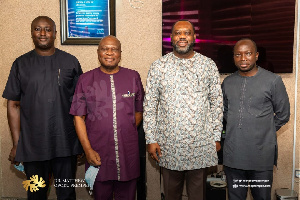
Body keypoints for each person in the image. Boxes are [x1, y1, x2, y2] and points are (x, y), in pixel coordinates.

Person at [2, 16, 83, 199]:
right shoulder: (20, 64)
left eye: (47, 29)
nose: (43, 33)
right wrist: (17, 144)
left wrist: (81, 142)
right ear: (32, 33)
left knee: (67, 193)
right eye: (37, 29)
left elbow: (81, 106)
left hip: (66, 144)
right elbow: (13, 105)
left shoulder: (70, 62)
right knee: (36, 194)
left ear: (55, 33)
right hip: (33, 145)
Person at [143, 19, 223, 200]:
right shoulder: (159, 66)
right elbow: (149, 106)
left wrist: (216, 136)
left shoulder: (208, 65)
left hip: (200, 145)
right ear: (171, 38)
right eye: (178, 33)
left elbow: (217, 103)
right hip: (168, 146)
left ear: (194, 37)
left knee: (198, 195)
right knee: (171, 195)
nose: (182, 36)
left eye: (187, 33)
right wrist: (151, 139)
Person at [70, 35, 144, 200]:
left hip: (128, 154)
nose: (109, 53)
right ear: (98, 53)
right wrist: (87, 150)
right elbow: (78, 117)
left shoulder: (133, 77)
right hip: (98, 153)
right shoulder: (85, 79)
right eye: (105, 49)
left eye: (114, 49)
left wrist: (124, 130)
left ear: (120, 53)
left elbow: (139, 112)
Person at [222, 38, 290, 200]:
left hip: (261, 157)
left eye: (248, 53)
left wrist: (264, 131)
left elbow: (283, 114)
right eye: (238, 54)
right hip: (234, 156)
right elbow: (224, 112)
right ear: (234, 57)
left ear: (256, 55)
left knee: (262, 197)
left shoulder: (273, 81)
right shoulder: (227, 82)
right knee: (235, 197)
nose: (243, 58)